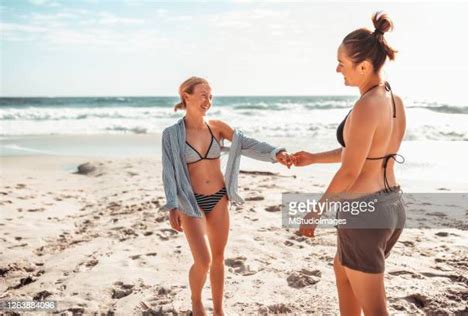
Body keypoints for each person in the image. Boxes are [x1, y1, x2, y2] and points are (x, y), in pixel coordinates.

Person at [291, 12, 406, 316]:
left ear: (364, 66)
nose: (338, 69)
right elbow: (367, 153)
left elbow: (351, 171)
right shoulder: (393, 99)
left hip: (364, 213)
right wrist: (315, 158)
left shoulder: (366, 105)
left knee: (375, 309)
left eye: (342, 63)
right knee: (342, 272)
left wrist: (316, 211)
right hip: (391, 205)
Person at [161, 76, 292, 316]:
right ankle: (196, 301)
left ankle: (219, 310)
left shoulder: (217, 127)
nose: (208, 100)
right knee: (203, 261)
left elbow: (247, 144)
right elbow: (168, 170)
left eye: (210, 96)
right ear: (186, 96)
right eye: (202, 94)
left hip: (219, 198)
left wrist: (276, 153)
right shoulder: (171, 134)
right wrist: (172, 206)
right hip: (190, 203)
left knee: (219, 258)